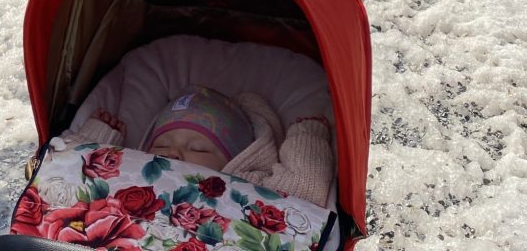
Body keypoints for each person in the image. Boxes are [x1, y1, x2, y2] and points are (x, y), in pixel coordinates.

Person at [59, 84, 334, 208]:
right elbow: (65, 176)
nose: (174, 153)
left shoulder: (249, 181)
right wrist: (99, 138)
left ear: (235, 158)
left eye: (198, 149)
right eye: (162, 145)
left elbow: (306, 191)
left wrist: (306, 138)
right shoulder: (133, 169)